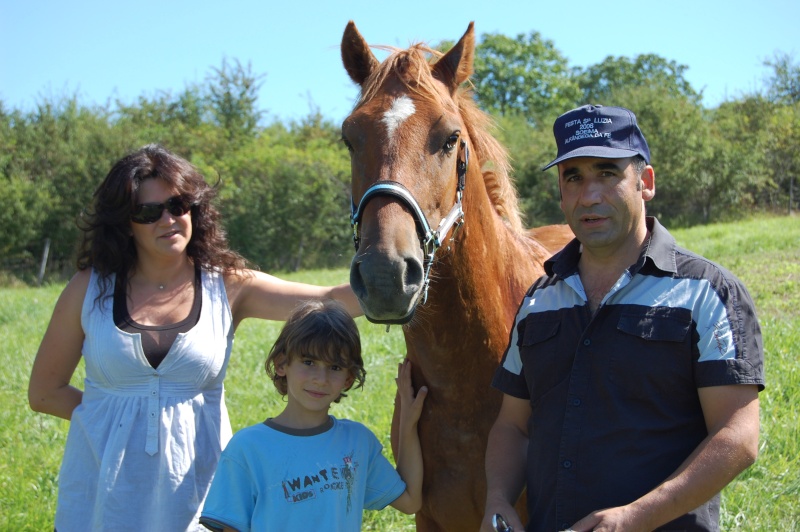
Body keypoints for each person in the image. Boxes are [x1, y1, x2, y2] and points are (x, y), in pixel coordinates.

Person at [27, 144, 362, 532]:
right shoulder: (88, 289)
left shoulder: (228, 284)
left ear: (195, 210)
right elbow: (44, 392)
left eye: (178, 205)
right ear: (124, 222)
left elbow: (328, 300)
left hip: (204, 496)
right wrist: (115, 419)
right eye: (147, 212)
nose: (167, 219)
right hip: (102, 498)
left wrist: (407, 274)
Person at [482, 105, 764, 532]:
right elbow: (513, 426)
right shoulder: (540, 300)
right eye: (573, 177)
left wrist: (636, 518)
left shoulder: (707, 291)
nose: (589, 195)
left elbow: (737, 436)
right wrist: (499, 498)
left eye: (607, 173)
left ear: (644, 182)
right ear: (560, 192)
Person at [199, 299, 427, 531]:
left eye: (335, 367)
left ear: (349, 378)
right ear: (281, 364)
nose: (321, 378)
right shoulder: (247, 448)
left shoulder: (358, 442)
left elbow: (409, 501)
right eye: (308, 362)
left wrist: (408, 424)